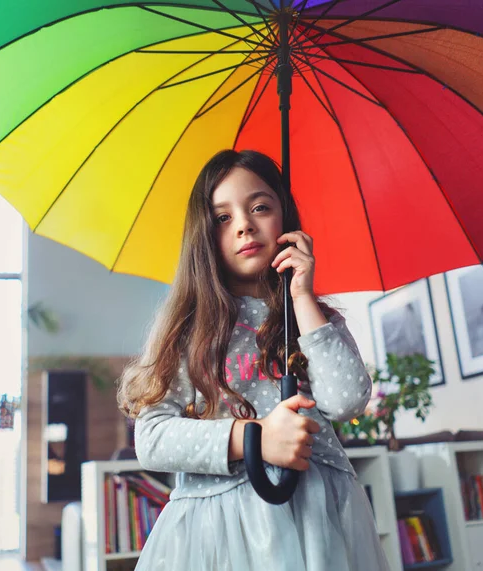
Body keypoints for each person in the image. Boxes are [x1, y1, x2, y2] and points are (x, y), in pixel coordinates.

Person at [117, 149, 390, 571]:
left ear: (287, 220)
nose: (245, 224)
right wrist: (256, 436)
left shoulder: (315, 319)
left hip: (317, 520)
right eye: (223, 218)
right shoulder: (187, 329)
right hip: (220, 530)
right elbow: (151, 439)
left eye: (260, 207)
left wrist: (301, 297)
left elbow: (347, 400)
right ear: (204, 236)